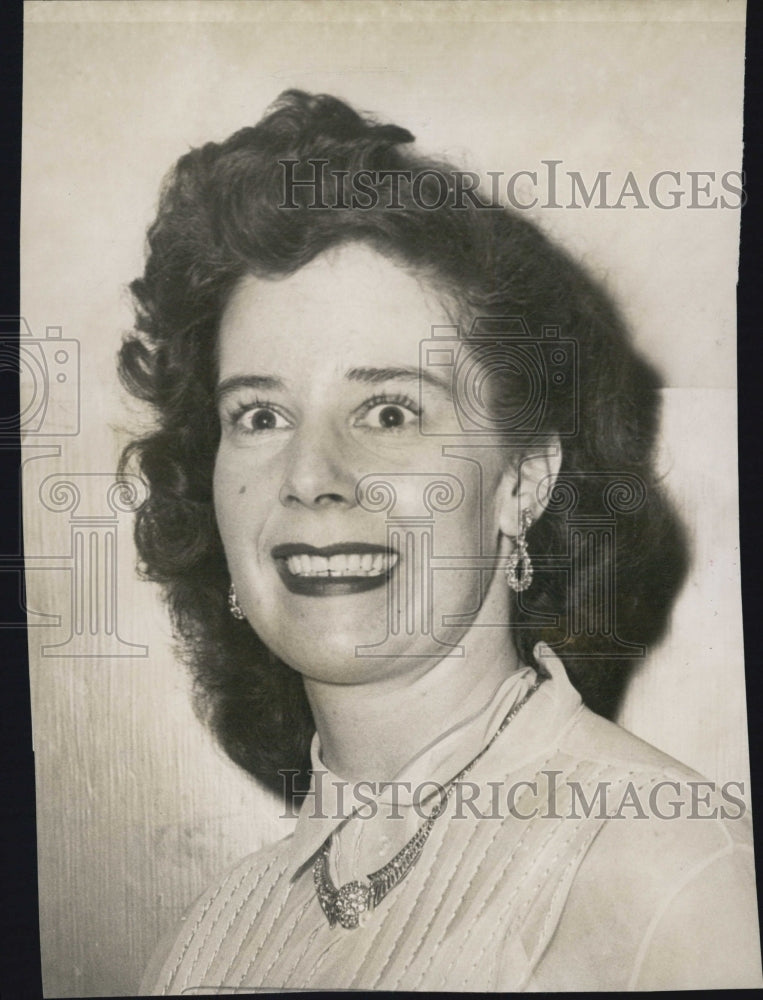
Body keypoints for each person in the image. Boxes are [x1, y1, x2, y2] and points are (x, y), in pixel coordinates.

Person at [120, 91, 761, 992]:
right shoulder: (207, 945)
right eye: (259, 414)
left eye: (388, 411)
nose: (311, 476)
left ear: (523, 479)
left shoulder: (671, 877)